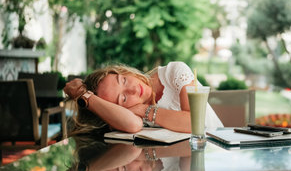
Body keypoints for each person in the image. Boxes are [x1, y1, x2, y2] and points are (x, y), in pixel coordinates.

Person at [64, 61, 223, 134]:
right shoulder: (126, 114)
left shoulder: (174, 72)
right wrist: (84, 96)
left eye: (124, 80)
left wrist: (144, 109)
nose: (133, 90)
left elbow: (194, 122)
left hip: (216, 152)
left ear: (125, 72)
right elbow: (133, 125)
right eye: (123, 99)